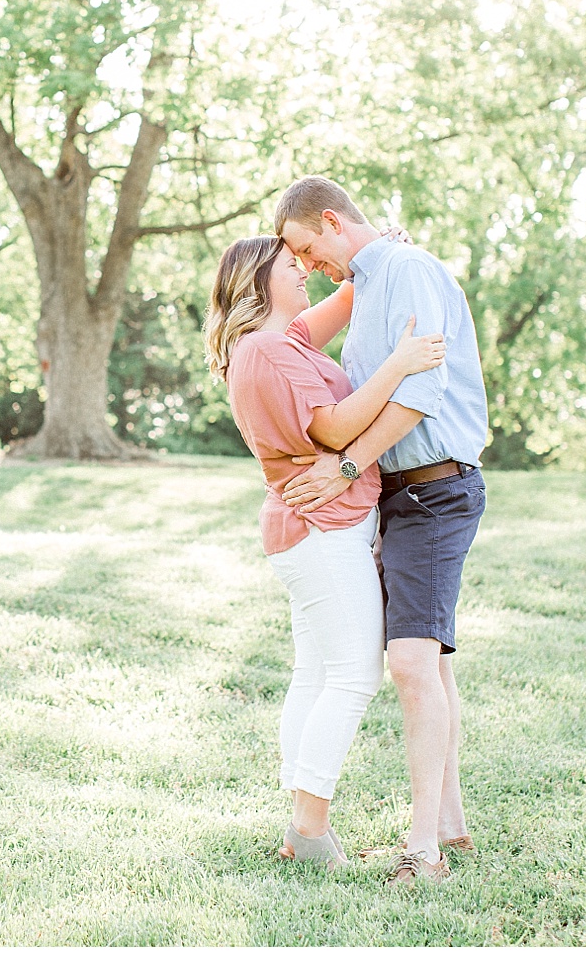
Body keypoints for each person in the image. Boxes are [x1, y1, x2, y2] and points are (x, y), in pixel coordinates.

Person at [274, 175, 490, 886]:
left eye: (309, 248)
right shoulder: (368, 284)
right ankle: (450, 827)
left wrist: (344, 469)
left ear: (332, 221)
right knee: (430, 662)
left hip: (434, 489)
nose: (309, 267)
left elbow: (420, 393)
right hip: (399, 498)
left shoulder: (407, 269)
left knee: (408, 664)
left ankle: (423, 850)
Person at [204, 233, 445, 869]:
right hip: (322, 529)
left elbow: (340, 297)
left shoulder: (279, 342)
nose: (305, 270)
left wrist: (368, 256)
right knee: (353, 675)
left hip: (309, 528)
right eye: (293, 265)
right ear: (262, 282)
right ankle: (310, 829)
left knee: (315, 671)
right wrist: (400, 362)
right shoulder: (268, 350)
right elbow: (334, 428)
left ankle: (299, 825)